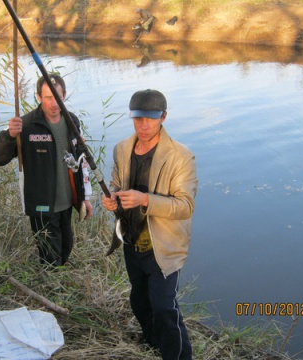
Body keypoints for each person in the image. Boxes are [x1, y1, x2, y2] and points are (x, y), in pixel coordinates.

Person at [101, 89, 197, 360]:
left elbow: (185, 206)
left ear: (163, 117)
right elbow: (116, 186)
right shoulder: (121, 148)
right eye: (138, 118)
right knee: (140, 302)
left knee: (165, 307)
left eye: (151, 119)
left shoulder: (181, 156)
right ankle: (154, 344)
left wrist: (145, 199)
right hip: (132, 242)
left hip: (163, 247)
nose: (144, 125)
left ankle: (178, 356)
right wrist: (111, 200)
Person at [0, 74, 93, 267]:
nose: (54, 103)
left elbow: (80, 161)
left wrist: (84, 197)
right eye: (48, 97)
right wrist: (10, 136)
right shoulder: (25, 124)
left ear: (65, 95)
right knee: (49, 256)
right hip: (41, 205)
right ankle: (51, 288)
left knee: (66, 247)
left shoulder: (72, 121)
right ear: (38, 97)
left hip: (67, 202)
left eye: (58, 97)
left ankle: (57, 284)